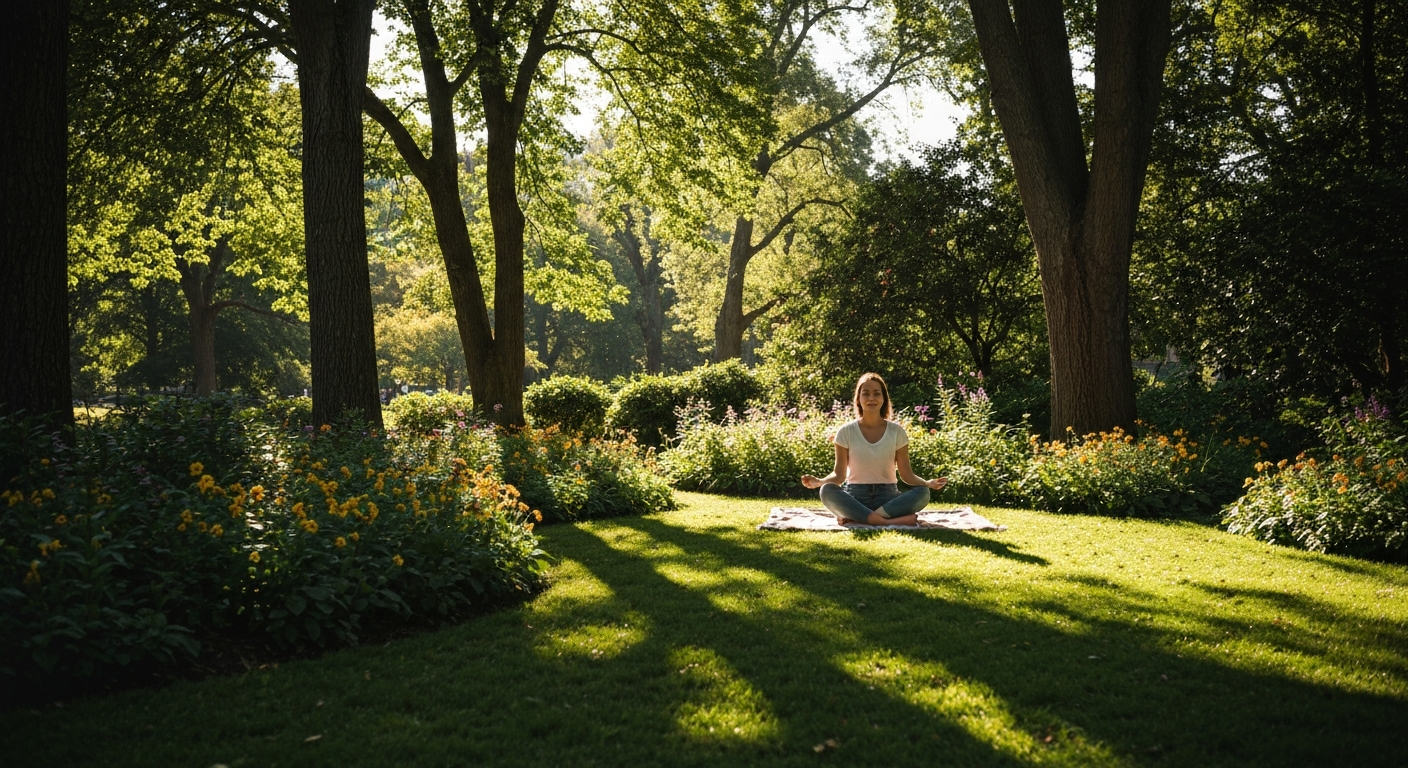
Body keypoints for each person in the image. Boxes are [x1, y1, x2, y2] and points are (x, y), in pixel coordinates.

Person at [800, 373, 947, 526]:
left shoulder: (897, 432)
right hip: (855, 497)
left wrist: (927, 483)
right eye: (866, 394)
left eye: (877, 394)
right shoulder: (846, 432)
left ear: (884, 399)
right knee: (827, 490)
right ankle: (885, 520)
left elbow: (906, 475)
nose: (871, 398)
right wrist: (819, 482)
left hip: (888, 498)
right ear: (858, 399)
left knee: (923, 493)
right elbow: (839, 476)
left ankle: (859, 517)